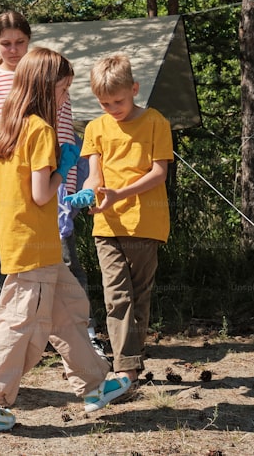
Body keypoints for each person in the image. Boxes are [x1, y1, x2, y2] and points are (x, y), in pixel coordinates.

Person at [0, 48, 130, 433]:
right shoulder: (39, 130)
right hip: (33, 248)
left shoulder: (7, 126)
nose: (65, 98)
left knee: (69, 310)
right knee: (18, 325)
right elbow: (41, 194)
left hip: (29, 242)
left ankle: (95, 385)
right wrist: (66, 166)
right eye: (63, 89)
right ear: (44, 87)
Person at [0, 11, 103, 354]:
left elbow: (65, 139)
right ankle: (14, 341)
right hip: (4, 192)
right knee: (6, 267)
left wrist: (68, 192)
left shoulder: (51, 79)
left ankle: (84, 338)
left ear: (30, 40)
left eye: (20, 42)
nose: (13, 50)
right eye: (5, 43)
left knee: (64, 262)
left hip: (49, 189)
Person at [65, 52, 173, 389]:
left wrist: (120, 194)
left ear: (135, 89)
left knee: (139, 297)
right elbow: (93, 176)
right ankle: (124, 370)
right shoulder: (96, 128)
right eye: (105, 103)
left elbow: (159, 172)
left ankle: (132, 364)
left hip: (146, 224)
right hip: (107, 225)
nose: (112, 108)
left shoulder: (156, 121)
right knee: (116, 296)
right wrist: (87, 193)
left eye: (118, 101)